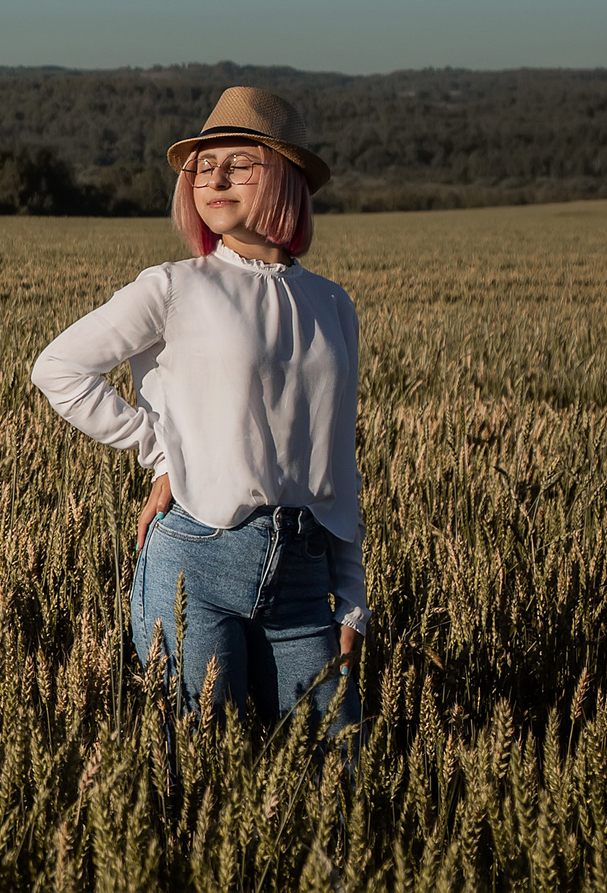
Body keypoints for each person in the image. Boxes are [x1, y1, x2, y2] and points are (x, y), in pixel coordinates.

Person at [30, 86, 365, 731]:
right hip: (195, 558)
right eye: (203, 164)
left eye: (240, 162)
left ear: (287, 177)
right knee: (195, 769)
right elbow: (59, 368)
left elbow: (337, 457)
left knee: (333, 770)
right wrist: (160, 450)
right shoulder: (174, 286)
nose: (214, 177)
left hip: (304, 570)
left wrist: (350, 597)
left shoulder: (333, 306)